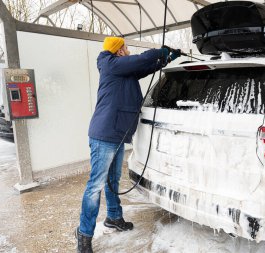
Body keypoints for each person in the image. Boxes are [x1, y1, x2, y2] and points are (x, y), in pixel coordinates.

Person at [75, 36, 180, 253]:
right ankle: (84, 233)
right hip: (104, 134)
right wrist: (161, 50)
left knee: (112, 180)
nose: (128, 50)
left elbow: (145, 66)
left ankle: (113, 217)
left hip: (118, 135)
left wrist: (166, 59)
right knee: (95, 185)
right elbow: (142, 59)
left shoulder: (122, 69)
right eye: (125, 47)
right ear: (119, 51)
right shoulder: (111, 65)